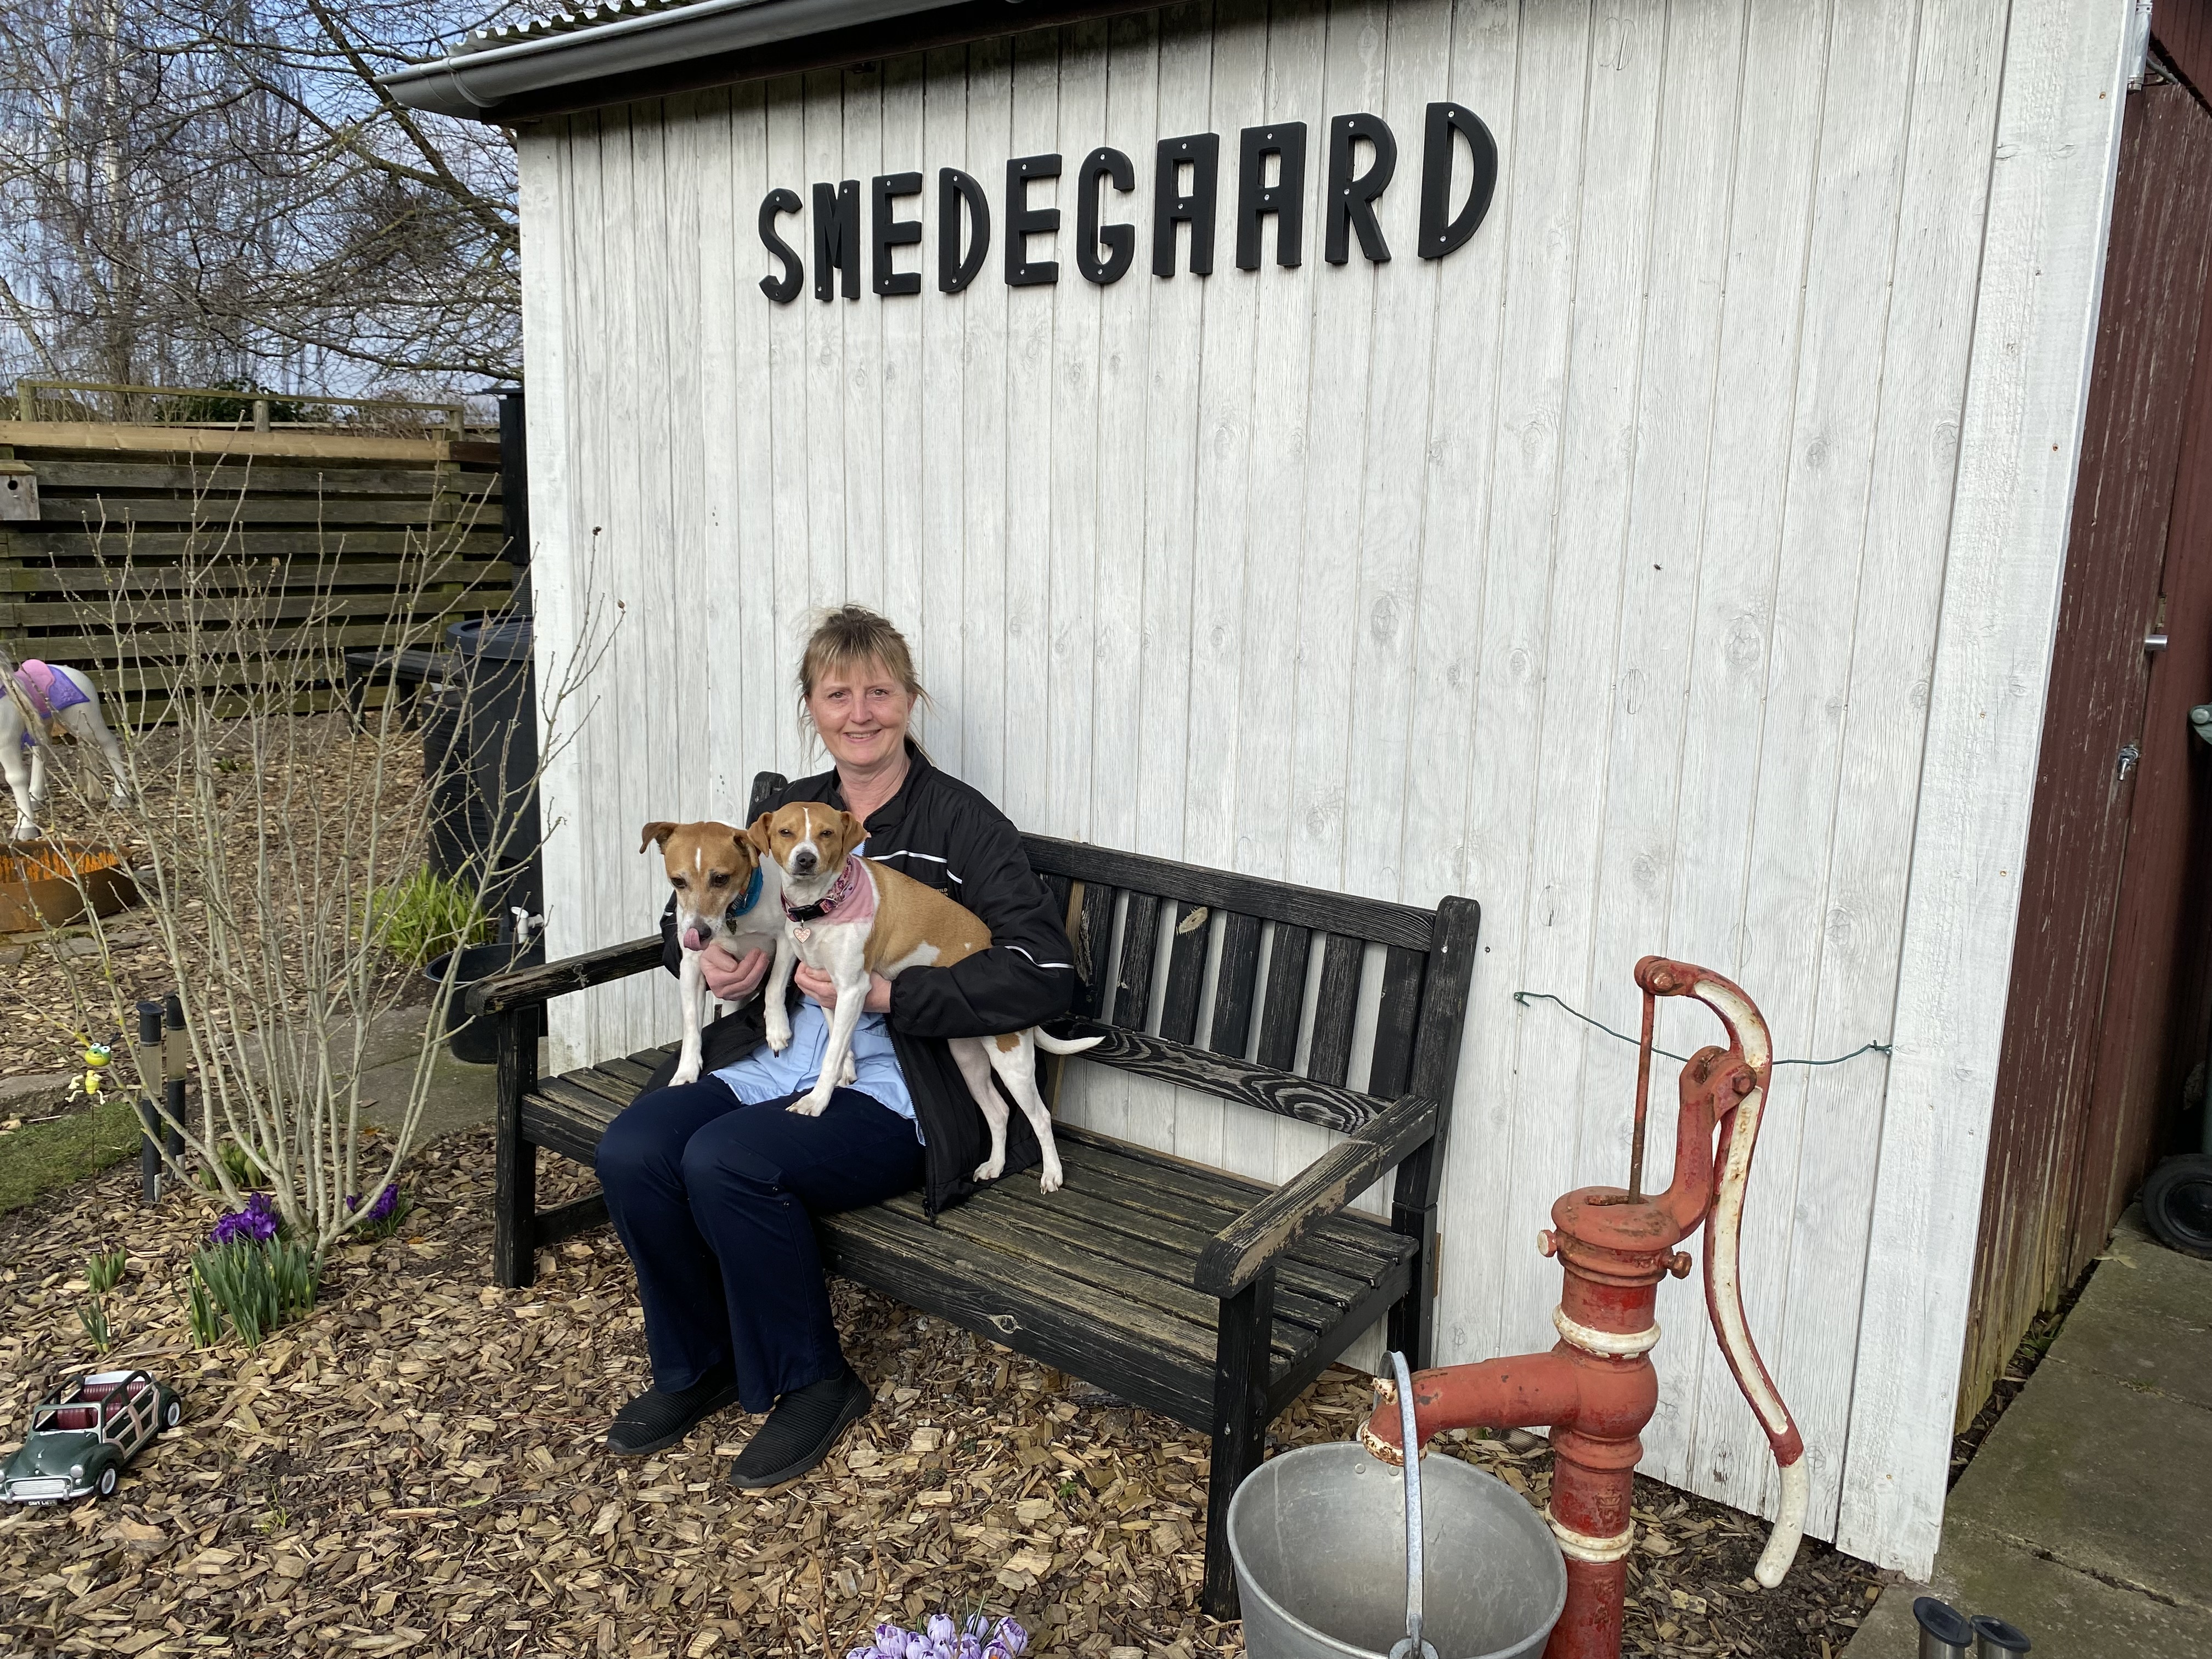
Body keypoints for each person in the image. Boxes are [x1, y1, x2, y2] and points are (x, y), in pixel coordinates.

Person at [593, 606, 1077, 1486]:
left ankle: (813, 1379)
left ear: (910, 701)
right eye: (837, 694)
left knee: (726, 1161)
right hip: (780, 1051)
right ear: (811, 707)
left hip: (907, 1084)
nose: (860, 714)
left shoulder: (963, 824)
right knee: (633, 1148)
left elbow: (1043, 974)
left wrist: (898, 994)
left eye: (879, 692)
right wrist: (714, 959)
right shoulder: (786, 814)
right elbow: (700, 903)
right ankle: (699, 1364)